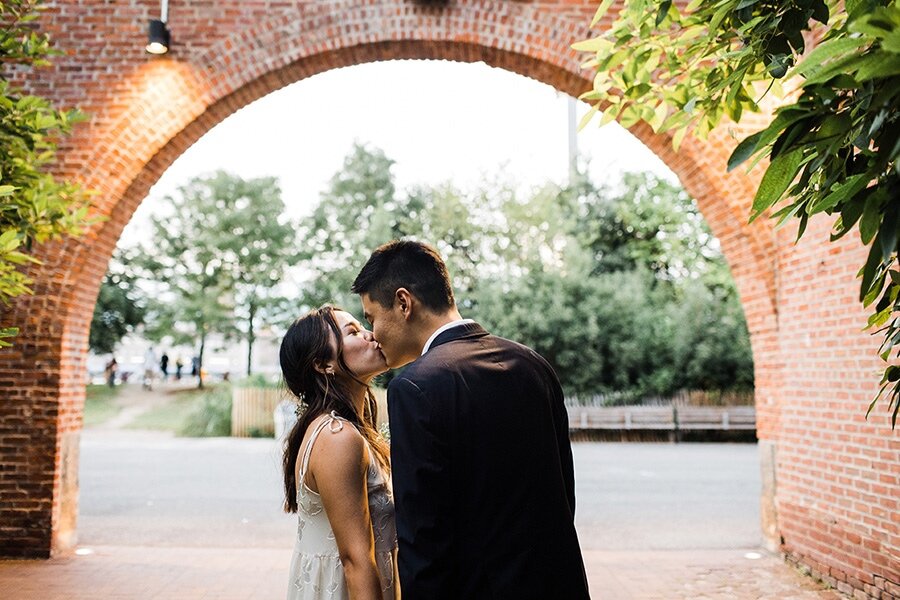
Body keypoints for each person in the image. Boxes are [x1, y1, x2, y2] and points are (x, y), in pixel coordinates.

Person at [352, 240, 590, 600]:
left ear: (403, 303)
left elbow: (424, 538)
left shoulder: (415, 387)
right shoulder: (533, 364)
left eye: (371, 318)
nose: (373, 334)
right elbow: (562, 495)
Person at [280, 305, 398, 600]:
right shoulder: (337, 437)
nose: (371, 336)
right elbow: (355, 560)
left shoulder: (346, 430)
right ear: (323, 364)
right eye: (354, 332)